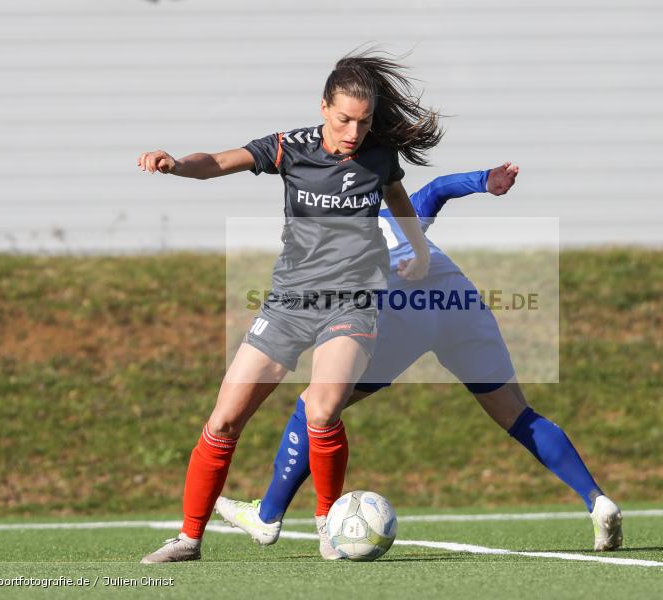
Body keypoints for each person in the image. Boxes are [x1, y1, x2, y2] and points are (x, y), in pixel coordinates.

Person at [215, 163, 624, 556]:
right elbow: (440, 187)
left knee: (314, 407)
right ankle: (596, 500)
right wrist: (486, 179)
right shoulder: (399, 211)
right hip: (460, 302)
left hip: (404, 313)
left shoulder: (338, 237)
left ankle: (267, 516)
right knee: (518, 415)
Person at [136, 50, 444, 563]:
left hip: (353, 300)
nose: (353, 132)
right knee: (223, 421)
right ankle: (189, 538)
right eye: (344, 119)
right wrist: (175, 165)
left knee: (322, 408)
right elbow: (217, 163)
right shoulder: (289, 148)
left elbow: (397, 197)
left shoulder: (379, 154)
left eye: (363, 122)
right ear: (324, 107)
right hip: (289, 301)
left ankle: (328, 525)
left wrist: (419, 248)